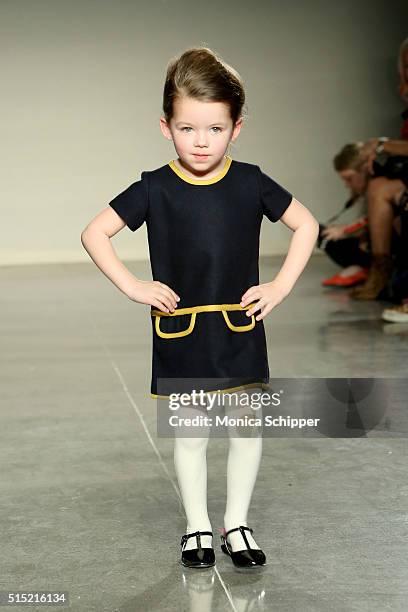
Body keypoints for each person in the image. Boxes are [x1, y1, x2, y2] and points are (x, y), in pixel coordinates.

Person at [81, 46, 319, 569]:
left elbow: (307, 224)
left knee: (246, 428)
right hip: (182, 333)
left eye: (215, 129)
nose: (202, 141)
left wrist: (278, 286)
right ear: (166, 126)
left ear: (237, 127)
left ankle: (237, 523)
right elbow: (95, 232)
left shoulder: (252, 181)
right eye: (188, 129)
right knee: (190, 434)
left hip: (240, 327)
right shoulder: (155, 187)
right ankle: (197, 528)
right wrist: (134, 286)